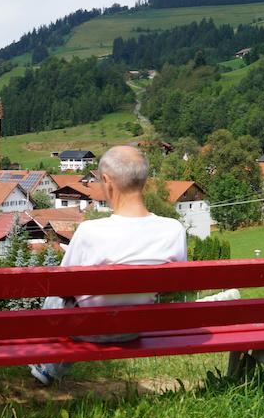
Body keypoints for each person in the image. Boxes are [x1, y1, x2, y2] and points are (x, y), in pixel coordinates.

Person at [29, 145, 187, 385]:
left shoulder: (91, 231)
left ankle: (47, 367)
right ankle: (49, 369)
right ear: (143, 180)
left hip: (89, 330)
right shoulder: (173, 229)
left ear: (107, 181)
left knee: (59, 300)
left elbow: (61, 287)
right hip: (136, 328)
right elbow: (174, 285)